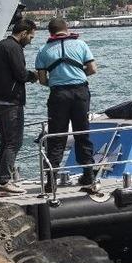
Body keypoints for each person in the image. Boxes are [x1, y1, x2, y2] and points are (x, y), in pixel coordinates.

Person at [35, 18, 97, 190]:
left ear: (50, 32)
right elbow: (92, 69)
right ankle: (88, 175)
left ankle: (51, 181)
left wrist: (56, 83)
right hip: (80, 93)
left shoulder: (43, 50)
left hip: (58, 95)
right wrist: (78, 76)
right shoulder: (81, 45)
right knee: (82, 133)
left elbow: (41, 80)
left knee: (56, 136)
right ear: (67, 29)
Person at [0, 18, 38, 196]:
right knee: (14, 142)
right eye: (30, 37)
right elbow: (21, 74)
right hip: (10, 102)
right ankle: (5, 181)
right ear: (23, 33)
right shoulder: (15, 48)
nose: (30, 41)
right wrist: (34, 76)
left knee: (5, 142)